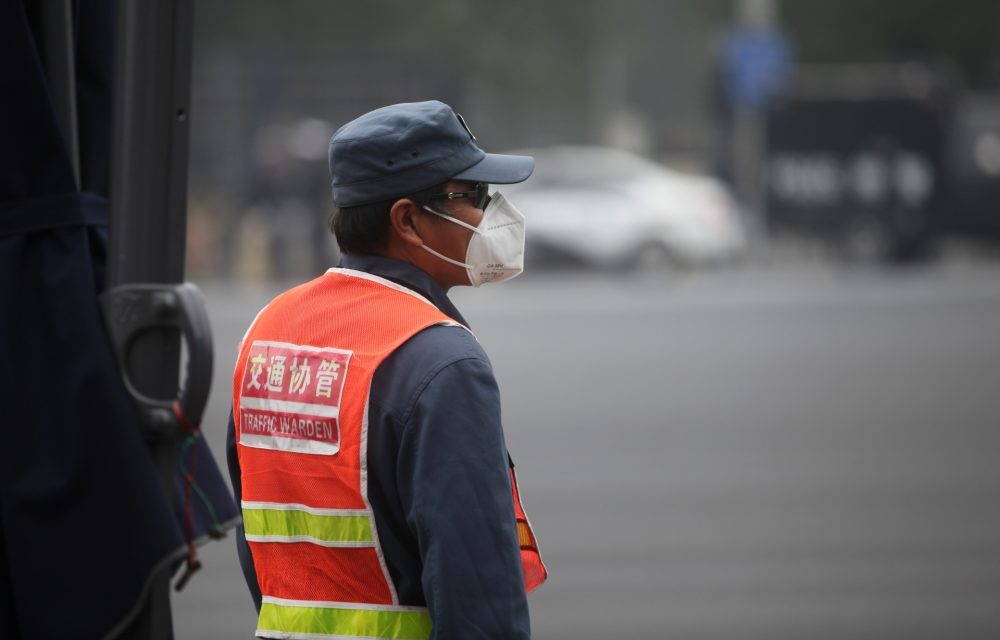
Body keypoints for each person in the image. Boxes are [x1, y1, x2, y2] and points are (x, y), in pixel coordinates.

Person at [226, 100, 547, 640]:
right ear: (407, 220)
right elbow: (477, 592)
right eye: (472, 195)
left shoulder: (266, 332)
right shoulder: (440, 361)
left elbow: (257, 539)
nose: (492, 213)